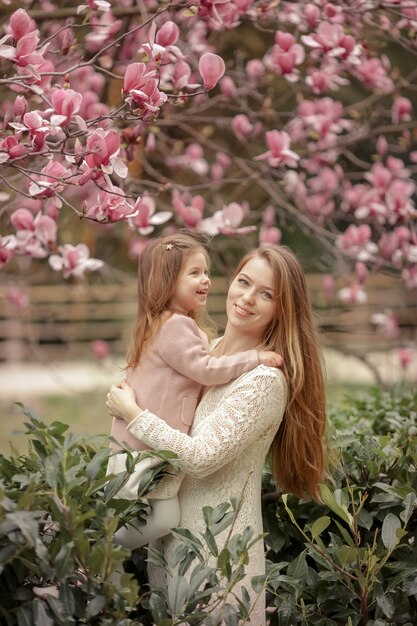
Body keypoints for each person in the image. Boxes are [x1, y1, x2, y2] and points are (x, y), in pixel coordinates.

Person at [107, 244, 327, 625]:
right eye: (244, 282)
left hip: (220, 561)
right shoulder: (203, 354)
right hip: (167, 548)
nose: (246, 298)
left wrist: (134, 414)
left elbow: (200, 457)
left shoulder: (263, 381)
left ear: (282, 309)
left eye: (266, 294)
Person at [107, 231, 283, 549]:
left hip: (141, 455)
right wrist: (255, 357)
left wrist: (131, 409)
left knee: (148, 518)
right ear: (167, 282)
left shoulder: (171, 325)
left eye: (206, 272)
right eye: (194, 273)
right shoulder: (176, 326)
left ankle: (105, 552)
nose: (205, 280)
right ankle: (103, 549)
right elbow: (205, 370)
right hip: (141, 455)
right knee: (159, 519)